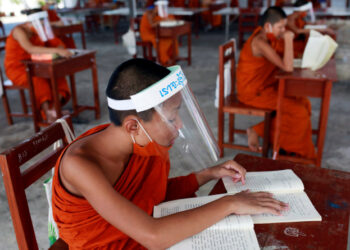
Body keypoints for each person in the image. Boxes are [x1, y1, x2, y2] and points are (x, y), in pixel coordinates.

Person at [52, 58, 288, 249]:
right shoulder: (81, 166)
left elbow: (153, 196)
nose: (180, 125)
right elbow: (154, 237)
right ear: (133, 126)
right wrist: (231, 203)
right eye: (172, 118)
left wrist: (207, 174)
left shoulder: (138, 141)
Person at [236, 6, 316, 160]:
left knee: (304, 102)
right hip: (252, 92)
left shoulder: (269, 37)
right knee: (298, 112)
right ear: (268, 26)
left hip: (267, 86)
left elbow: (283, 59)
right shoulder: (259, 42)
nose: (283, 30)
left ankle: (262, 132)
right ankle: (294, 151)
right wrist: (288, 39)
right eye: (280, 27)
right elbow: (287, 66)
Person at [4, 10, 72, 123]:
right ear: (30, 22)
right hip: (18, 69)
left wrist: (57, 45)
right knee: (37, 80)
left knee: (58, 76)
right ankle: (47, 114)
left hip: (36, 66)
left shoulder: (39, 30)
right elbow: (30, 49)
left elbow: (56, 44)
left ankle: (54, 109)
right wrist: (56, 50)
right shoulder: (19, 31)